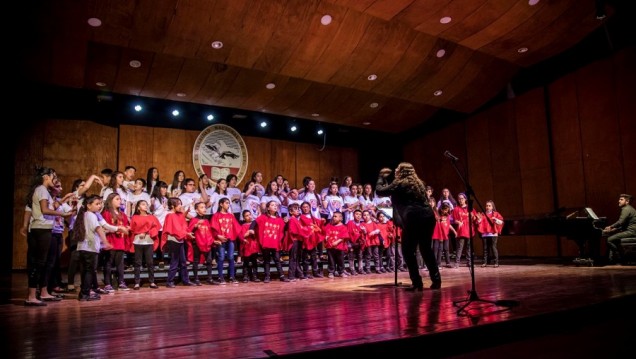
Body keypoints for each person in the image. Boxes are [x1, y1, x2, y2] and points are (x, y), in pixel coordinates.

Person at [375, 162, 441, 291]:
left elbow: (380, 191)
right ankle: (436, 281)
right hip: (428, 217)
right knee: (426, 249)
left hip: (413, 218)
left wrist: (381, 177)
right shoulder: (419, 184)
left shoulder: (399, 183)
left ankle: (417, 283)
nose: (395, 171)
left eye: (398, 169)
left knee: (408, 251)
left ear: (402, 172)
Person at [603, 194, 636, 265]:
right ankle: (611, 260)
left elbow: (620, 222)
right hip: (631, 231)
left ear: (627, 201)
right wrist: (613, 229)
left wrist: (610, 227)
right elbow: (624, 224)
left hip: (631, 232)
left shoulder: (626, 209)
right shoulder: (629, 208)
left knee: (609, 240)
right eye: (619, 199)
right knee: (613, 240)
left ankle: (620, 257)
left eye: (621, 200)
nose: (619, 201)